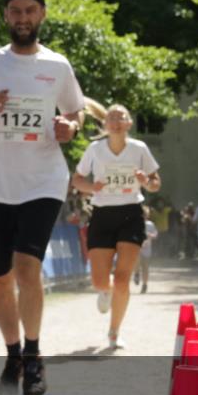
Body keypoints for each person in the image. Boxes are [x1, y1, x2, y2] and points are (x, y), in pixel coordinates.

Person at [0, 0, 85, 395]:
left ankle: (33, 355)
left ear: (42, 15)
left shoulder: (57, 66)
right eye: (15, 11)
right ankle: (12, 354)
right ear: (7, 17)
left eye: (30, 11)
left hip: (43, 180)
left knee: (27, 267)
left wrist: (71, 126)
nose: (23, 18)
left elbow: (75, 110)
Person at [71, 104, 161, 349]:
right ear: (105, 124)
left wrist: (146, 182)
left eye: (121, 117)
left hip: (131, 212)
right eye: (111, 117)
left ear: (129, 123)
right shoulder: (95, 149)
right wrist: (92, 188)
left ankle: (114, 331)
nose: (116, 121)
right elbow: (77, 180)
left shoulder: (139, 149)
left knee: (122, 280)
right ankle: (105, 291)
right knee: (101, 282)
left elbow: (155, 183)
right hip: (102, 214)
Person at [134, 206, 159, 294]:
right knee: (136, 261)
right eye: (141, 214)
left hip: (147, 249)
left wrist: (151, 235)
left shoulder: (150, 224)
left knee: (145, 268)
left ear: (147, 215)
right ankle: (136, 273)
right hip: (137, 248)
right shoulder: (135, 224)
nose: (143, 216)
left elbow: (155, 234)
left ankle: (144, 285)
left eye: (145, 214)